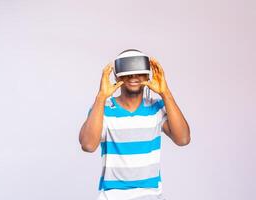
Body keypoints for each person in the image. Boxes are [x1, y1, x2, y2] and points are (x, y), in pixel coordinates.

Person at [79, 49, 191, 200]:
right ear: (117, 76)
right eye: (127, 73)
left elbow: (183, 139)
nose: (133, 76)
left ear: (148, 75)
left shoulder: (157, 107)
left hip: (151, 195)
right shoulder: (103, 108)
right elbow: (88, 145)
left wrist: (165, 93)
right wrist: (101, 97)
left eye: (139, 72)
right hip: (112, 195)